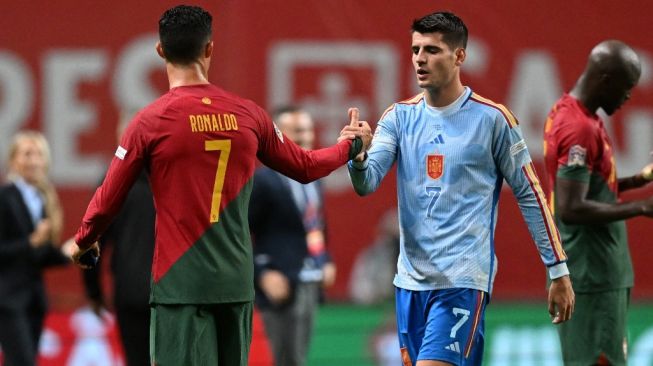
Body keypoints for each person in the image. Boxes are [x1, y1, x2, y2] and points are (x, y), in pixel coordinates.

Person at [68, 5, 371, 366]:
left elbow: (107, 200)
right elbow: (306, 167)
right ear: (210, 48)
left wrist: (85, 242)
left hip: (179, 285)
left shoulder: (148, 122)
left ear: (160, 51)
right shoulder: (249, 114)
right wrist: (350, 146)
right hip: (234, 285)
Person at [342, 12, 575, 366]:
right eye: (415, 49)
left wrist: (557, 269)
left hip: (462, 281)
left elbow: (531, 194)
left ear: (459, 56)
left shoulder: (493, 119)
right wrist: (357, 158)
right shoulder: (398, 117)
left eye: (432, 50)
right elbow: (367, 182)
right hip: (410, 284)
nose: (420, 58)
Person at [543, 40, 652, 366]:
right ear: (606, 79)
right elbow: (572, 207)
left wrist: (639, 180)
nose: (629, 96)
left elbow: (590, 187)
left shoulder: (573, 113)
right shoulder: (579, 128)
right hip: (591, 274)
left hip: (597, 273)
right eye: (626, 87)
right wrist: (641, 207)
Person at [249, 105, 337, 366]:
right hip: (279, 286)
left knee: (298, 358)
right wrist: (262, 273)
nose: (306, 137)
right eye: (298, 131)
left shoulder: (313, 180)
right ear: (280, 136)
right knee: (281, 358)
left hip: (309, 281)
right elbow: (239, 235)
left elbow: (314, 228)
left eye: (309, 130)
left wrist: (324, 259)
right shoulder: (263, 182)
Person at [82, 110, 155, 366]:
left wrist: (94, 292)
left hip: (130, 292)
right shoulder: (173, 176)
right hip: (174, 292)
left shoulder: (112, 180)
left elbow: (92, 240)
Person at [0, 130, 70, 366]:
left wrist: (68, 253)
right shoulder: (4, 197)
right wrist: (30, 242)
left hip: (34, 298)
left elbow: (39, 255)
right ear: (13, 160)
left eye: (39, 154)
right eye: (27, 154)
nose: (34, 160)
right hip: (8, 298)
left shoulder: (42, 198)